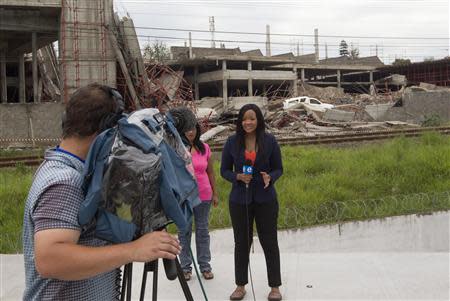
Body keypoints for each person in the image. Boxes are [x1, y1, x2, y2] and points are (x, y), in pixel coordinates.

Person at [22, 83, 181, 300]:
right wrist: (133, 250)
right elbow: (50, 259)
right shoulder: (66, 181)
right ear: (108, 129)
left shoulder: (78, 170)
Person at [220, 104, 283, 301]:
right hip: (240, 200)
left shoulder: (270, 141)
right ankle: (240, 286)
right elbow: (224, 170)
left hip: (266, 200)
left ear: (258, 120)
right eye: (244, 119)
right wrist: (237, 176)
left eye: (252, 118)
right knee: (241, 244)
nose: (248, 122)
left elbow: (278, 168)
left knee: (270, 243)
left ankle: (275, 287)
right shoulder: (231, 142)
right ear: (240, 121)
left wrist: (270, 177)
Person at [169, 107, 219, 281]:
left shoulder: (204, 148)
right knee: (184, 232)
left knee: (203, 231)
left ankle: (205, 266)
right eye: (187, 129)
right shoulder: (176, 149)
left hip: (204, 195)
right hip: (184, 197)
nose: (190, 132)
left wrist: (215, 193)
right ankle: (185, 267)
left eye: (193, 128)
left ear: (197, 130)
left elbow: (211, 172)